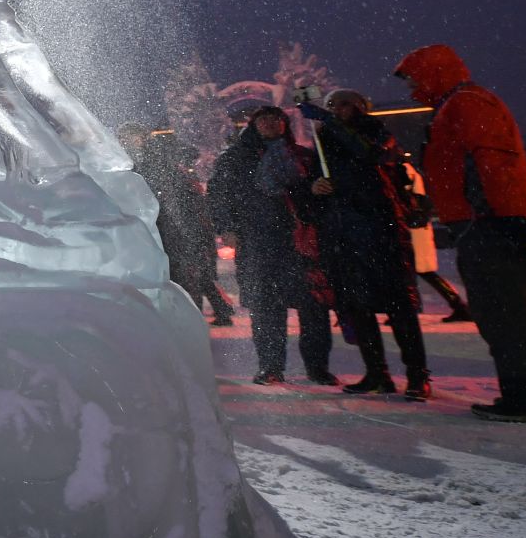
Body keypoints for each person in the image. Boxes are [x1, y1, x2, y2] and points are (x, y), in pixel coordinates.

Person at [395, 45, 526, 423]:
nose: (411, 90)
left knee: (504, 312)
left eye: (414, 79)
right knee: (525, 308)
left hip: (488, 226)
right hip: (494, 221)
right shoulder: (465, 103)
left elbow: (489, 161)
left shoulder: (465, 104)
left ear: (434, 73)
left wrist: (496, 215)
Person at [300, 89, 430, 400]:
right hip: (343, 235)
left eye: (345, 104)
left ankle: (417, 375)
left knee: (399, 306)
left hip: (380, 231)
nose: (338, 109)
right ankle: (377, 372)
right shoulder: (324, 143)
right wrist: (315, 189)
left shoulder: (376, 132)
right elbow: (314, 193)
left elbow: (369, 155)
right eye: (332, 105)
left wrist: (329, 122)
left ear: (360, 107)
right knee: (358, 307)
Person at [208, 106, 335, 386]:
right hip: (258, 241)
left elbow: (323, 199)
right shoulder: (235, 159)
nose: (268, 123)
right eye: (262, 119)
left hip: (300, 240)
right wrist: (227, 227)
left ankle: (317, 367)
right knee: (266, 307)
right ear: (253, 125)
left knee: (313, 306)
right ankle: (271, 366)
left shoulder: (304, 157)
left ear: (284, 124)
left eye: (275, 118)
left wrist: (317, 192)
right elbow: (219, 195)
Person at [118, 123, 234, 325]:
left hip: (173, 228)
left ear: (142, 138)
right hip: (167, 227)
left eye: (131, 137)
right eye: (125, 138)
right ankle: (209, 313)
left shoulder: (154, 162)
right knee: (192, 275)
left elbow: (173, 198)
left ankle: (192, 321)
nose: (128, 142)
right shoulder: (141, 161)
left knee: (187, 277)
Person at [402, 160, 471, 322]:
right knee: (422, 272)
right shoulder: (410, 170)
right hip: (417, 227)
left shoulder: (402, 170)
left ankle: (409, 309)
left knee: (410, 270)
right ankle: (457, 304)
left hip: (412, 227)